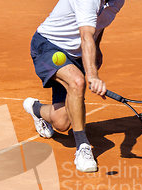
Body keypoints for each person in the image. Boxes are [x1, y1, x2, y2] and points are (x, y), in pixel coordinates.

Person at [23, 0, 125, 172]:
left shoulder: (118, 1)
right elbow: (86, 36)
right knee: (78, 81)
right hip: (49, 47)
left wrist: (97, 48)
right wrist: (92, 75)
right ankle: (83, 147)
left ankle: (35, 108)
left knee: (61, 123)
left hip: (75, 55)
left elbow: (99, 23)